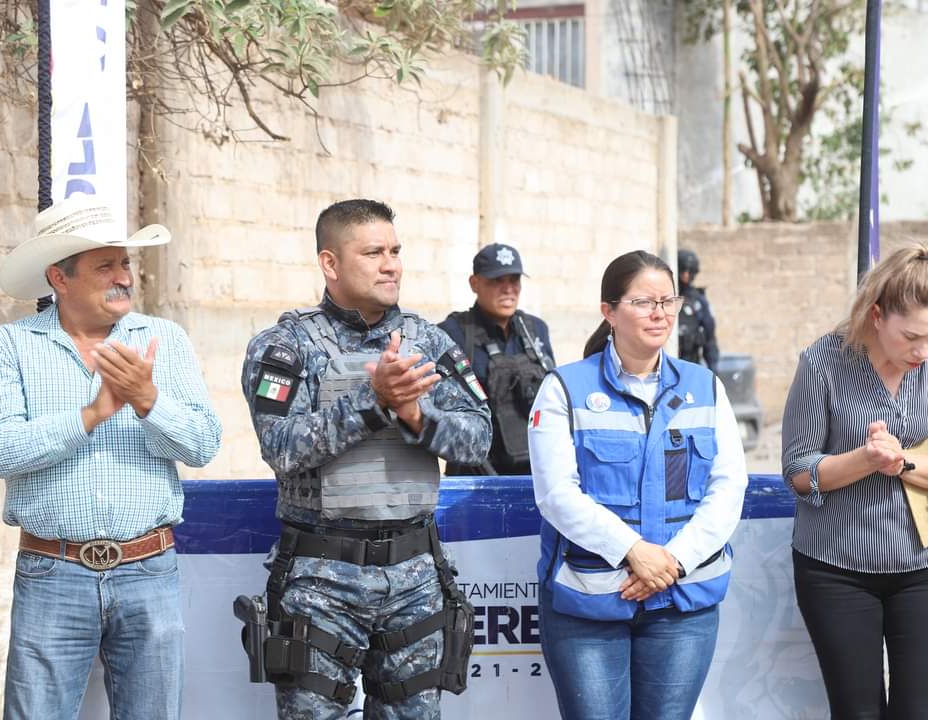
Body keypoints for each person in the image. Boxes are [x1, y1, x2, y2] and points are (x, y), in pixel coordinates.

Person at [238, 199, 491, 719]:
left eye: (396, 251)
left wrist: (417, 417)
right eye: (373, 252)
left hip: (416, 576)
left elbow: (479, 439)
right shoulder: (286, 346)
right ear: (330, 263)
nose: (391, 264)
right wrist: (372, 402)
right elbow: (281, 448)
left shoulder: (430, 342)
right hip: (320, 579)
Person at [0, 197, 222, 720]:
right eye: (105, 265)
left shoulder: (164, 340)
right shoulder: (8, 347)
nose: (123, 276)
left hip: (148, 568)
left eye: (125, 263)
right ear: (58, 279)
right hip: (51, 572)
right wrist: (91, 415)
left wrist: (147, 401)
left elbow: (202, 445)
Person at [528, 250, 747, 720]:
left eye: (668, 301)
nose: (659, 313)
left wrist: (673, 561)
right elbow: (556, 494)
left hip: (682, 603)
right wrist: (633, 551)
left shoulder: (704, 386)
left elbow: (728, 486)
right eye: (644, 301)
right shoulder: (564, 388)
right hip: (590, 604)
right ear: (608, 311)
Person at [782, 243, 928, 719]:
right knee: (857, 711)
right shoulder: (822, 362)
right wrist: (866, 458)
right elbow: (798, 472)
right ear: (876, 315)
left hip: (920, 565)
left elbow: (905, 462)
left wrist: (900, 461)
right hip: (836, 569)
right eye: (910, 337)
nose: (921, 352)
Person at [439, 243, 555, 476]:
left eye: (514, 280)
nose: (508, 289)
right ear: (474, 283)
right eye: (496, 281)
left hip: (534, 472)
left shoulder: (535, 331)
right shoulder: (452, 333)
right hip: (475, 475)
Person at [677, 249, 719, 369]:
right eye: (683, 270)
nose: (686, 275)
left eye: (690, 271)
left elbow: (710, 339)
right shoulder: (668, 297)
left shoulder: (699, 301)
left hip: (691, 363)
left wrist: (713, 370)